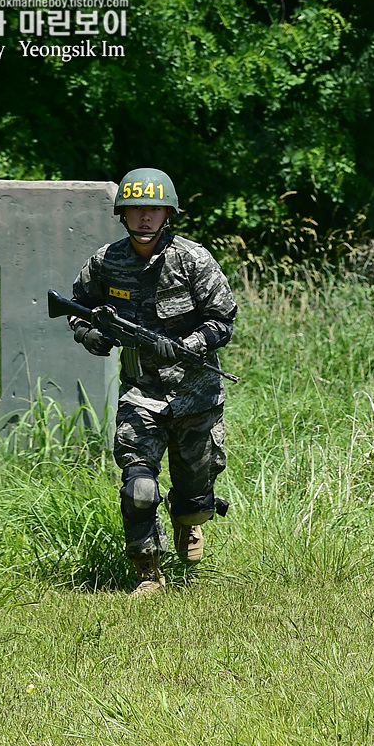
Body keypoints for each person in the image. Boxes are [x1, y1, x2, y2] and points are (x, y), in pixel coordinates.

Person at [66, 167, 238, 595]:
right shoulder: (106, 261)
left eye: (155, 210)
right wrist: (91, 334)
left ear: (168, 214)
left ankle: (190, 521)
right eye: (137, 210)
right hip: (141, 392)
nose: (145, 218)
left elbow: (224, 319)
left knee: (195, 496)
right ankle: (148, 570)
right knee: (139, 485)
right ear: (123, 214)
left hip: (197, 393)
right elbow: (78, 306)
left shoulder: (192, 259)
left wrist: (190, 343)